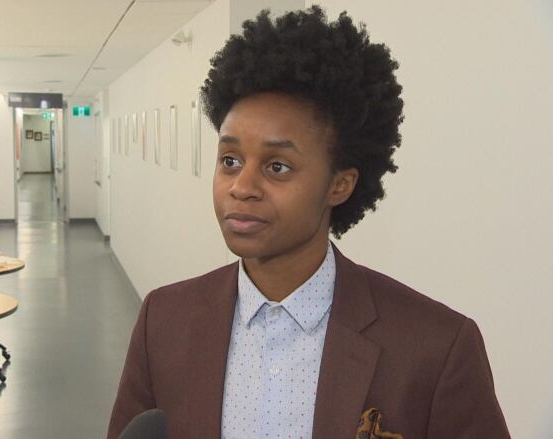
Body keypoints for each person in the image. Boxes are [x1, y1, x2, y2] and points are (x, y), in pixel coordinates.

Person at [108, 6, 510, 439]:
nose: (241, 187)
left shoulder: (435, 347)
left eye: (277, 167)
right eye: (230, 160)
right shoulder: (163, 321)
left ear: (339, 185)